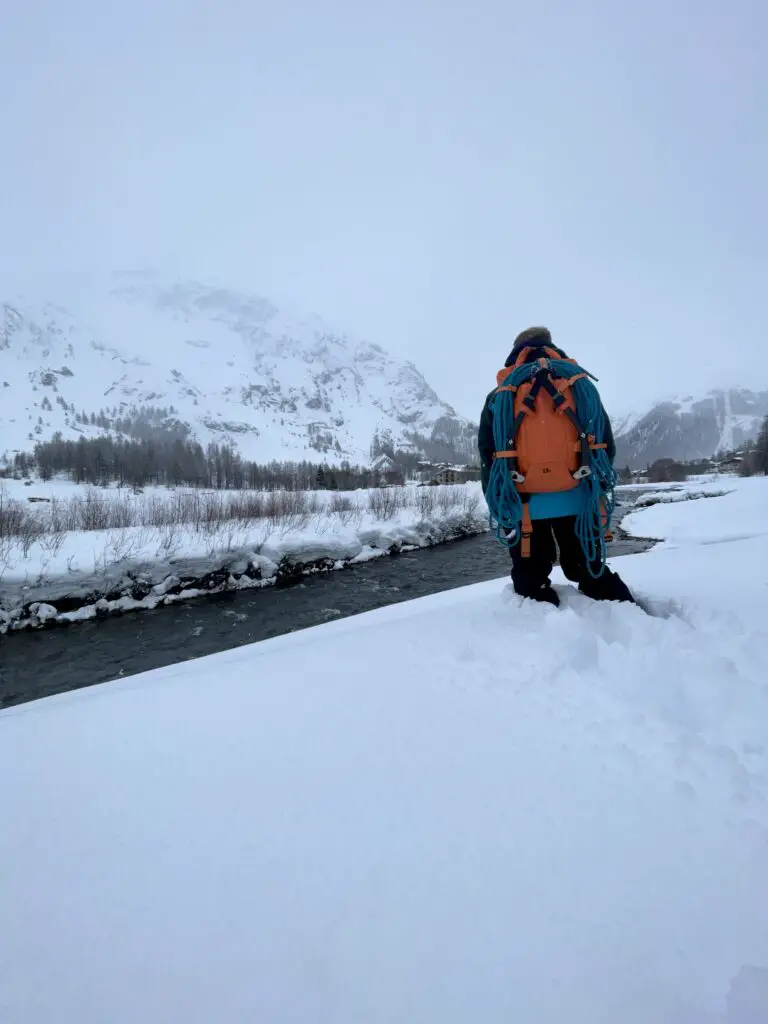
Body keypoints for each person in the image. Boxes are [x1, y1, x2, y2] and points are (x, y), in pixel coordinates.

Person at [478, 326, 634, 606]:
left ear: (515, 354)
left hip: (523, 502)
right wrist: (595, 487)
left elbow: (488, 455)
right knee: (590, 570)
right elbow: (604, 444)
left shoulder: (501, 395)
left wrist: (499, 505)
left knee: (530, 579)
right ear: (552, 347)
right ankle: (631, 617)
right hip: (579, 497)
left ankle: (541, 634)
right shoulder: (580, 386)